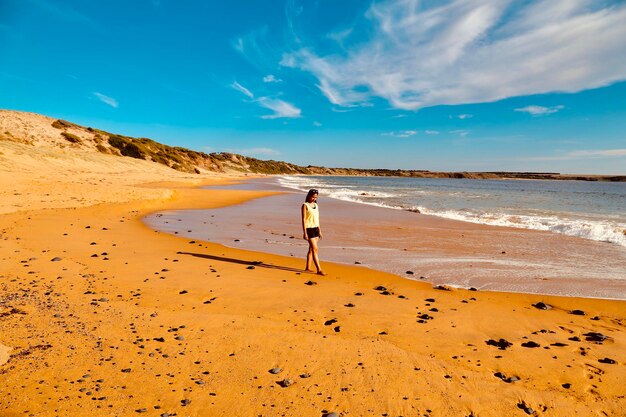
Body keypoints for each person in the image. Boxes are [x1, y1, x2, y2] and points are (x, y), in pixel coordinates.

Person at [301, 189, 325, 275]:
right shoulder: (305, 205)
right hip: (309, 229)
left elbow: (317, 218)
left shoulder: (316, 205)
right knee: (315, 249)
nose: (314, 199)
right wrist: (305, 232)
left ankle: (308, 267)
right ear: (309, 196)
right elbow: (303, 219)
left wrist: (320, 230)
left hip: (316, 229)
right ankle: (319, 269)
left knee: (311, 249)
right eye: (312, 197)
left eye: (315, 197)